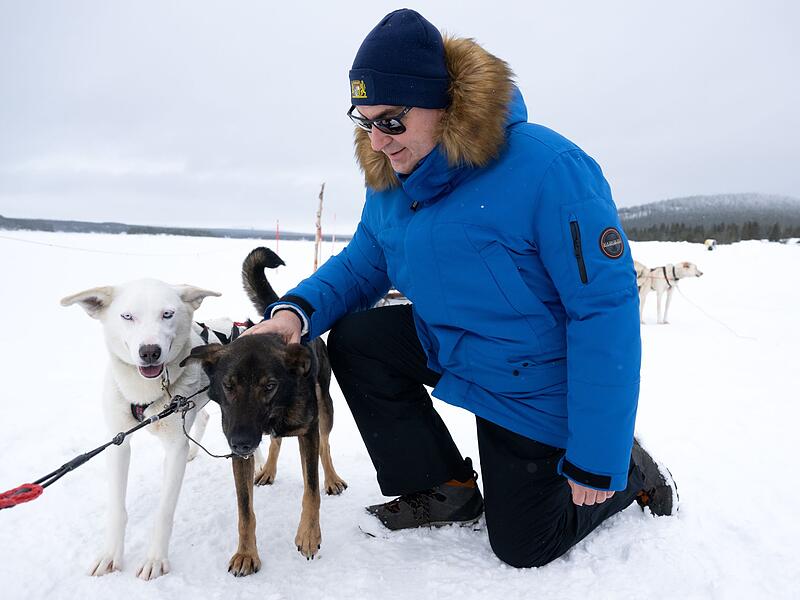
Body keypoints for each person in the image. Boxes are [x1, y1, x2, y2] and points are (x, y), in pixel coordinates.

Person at [242, 8, 678, 568]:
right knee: (357, 337)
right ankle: (444, 485)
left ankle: (631, 473)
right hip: (454, 345)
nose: (377, 141)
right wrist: (293, 314)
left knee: (523, 544)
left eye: (392, 121)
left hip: (532, 382)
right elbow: (361, 266)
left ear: (442, 103)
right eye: (364, 120)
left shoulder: (549, 169)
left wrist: (600, 455)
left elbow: (604, 312)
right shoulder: (392, 184)